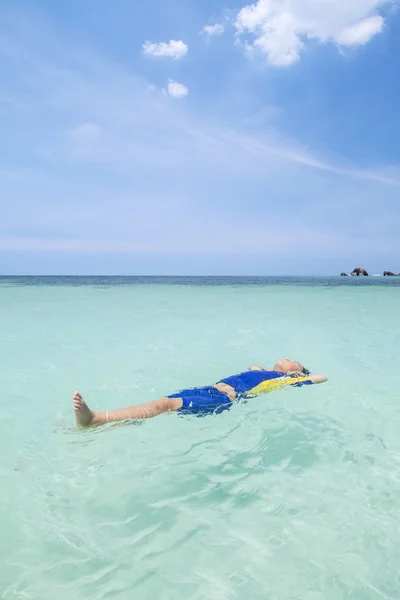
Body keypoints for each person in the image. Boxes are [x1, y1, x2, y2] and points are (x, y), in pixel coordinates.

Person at [72, 358, 328, 428]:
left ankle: (95, 419)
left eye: (292, 360)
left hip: (222, 398)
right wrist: (275, 369)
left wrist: (298, 375)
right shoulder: (267, 372)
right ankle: (105, 423)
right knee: (159, 408)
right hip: (210, 389)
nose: (286, 358)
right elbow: (253, 366)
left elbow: (321, 377)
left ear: (297, 372)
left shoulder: (284, 380)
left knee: (163, 405)